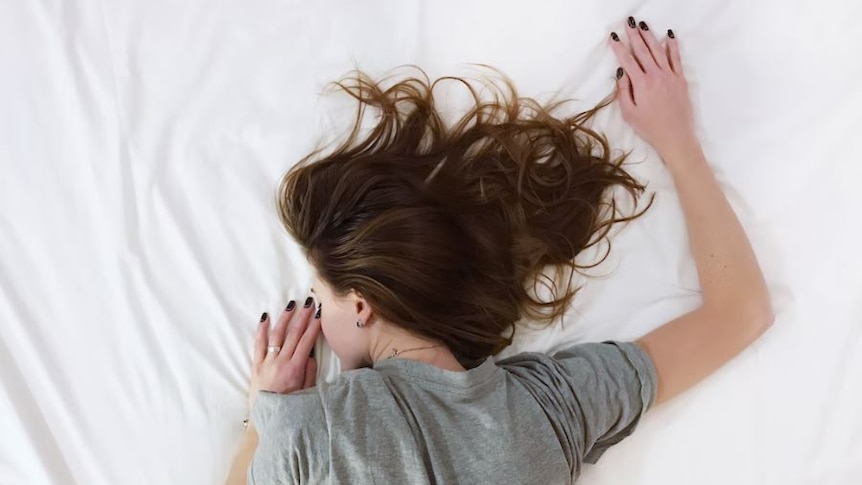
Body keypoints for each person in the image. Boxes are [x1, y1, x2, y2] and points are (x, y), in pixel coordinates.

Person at [225, 16, 774, 485]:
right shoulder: (550, 407)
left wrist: (262, 416)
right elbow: (741, 313)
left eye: (321, 301)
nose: (316, 320)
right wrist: (677, 142)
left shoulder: (306, 433)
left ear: (363, 304)